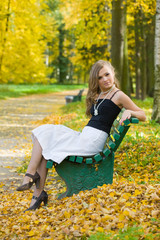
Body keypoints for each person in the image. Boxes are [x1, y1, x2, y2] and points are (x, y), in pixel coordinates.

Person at [16, 60, 146, 211]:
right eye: (100, 77)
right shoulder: (100, 94)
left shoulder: (118, 95)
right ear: (95, 80)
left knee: (46, 137)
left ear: (113, 73)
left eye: (107, 74)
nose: (105, 79)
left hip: (92, 141)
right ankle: (36, 193)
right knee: (44, 133)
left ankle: (31, 178)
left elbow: (143, 115)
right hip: (84, 137)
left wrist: (129, 111)